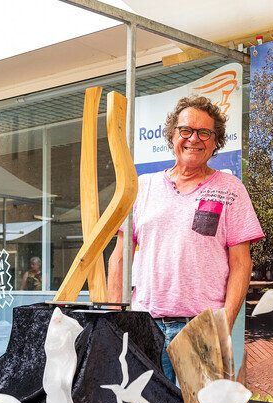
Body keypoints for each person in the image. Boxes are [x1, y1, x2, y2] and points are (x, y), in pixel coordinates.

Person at [107, 96, 264, 382]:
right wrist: (114, 317)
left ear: (216, 142)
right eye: (186, 130)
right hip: (145, 326)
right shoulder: (143, 187)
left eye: (205, 132)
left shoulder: (231, 189)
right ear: (172, 135)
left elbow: (241, 263)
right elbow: (119, 255)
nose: (195, 139)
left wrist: (225, 323)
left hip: (202, 328)